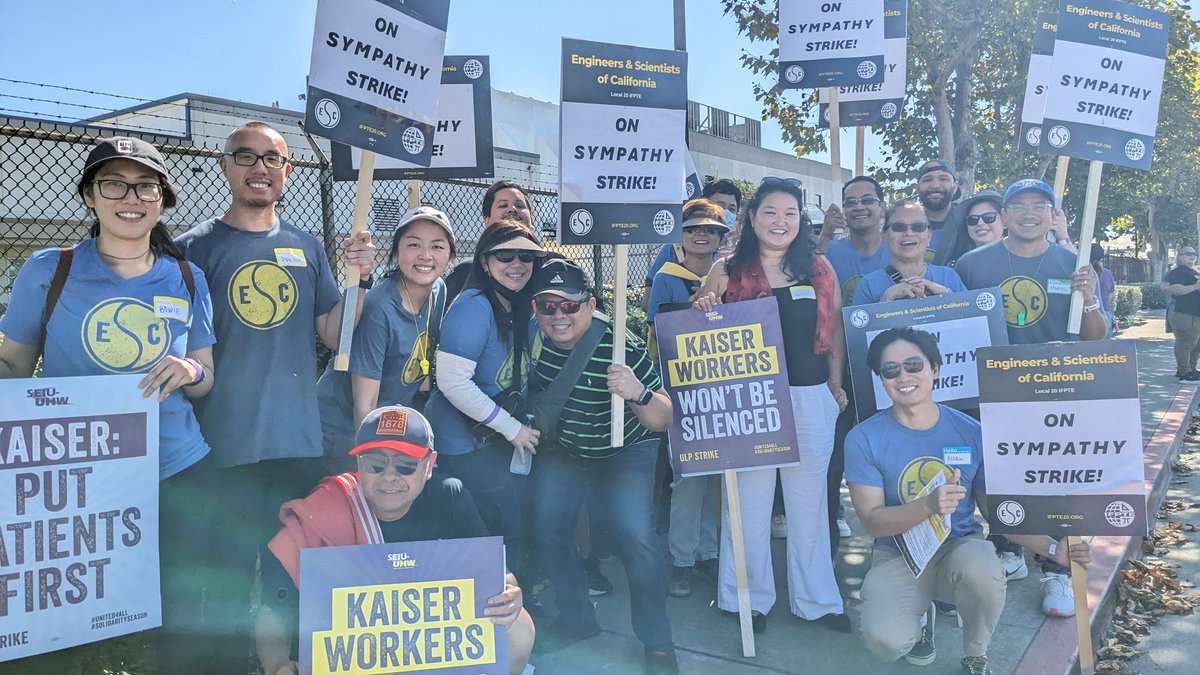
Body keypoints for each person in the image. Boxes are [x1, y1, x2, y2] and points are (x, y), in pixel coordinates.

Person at [0, 137, 216, 671]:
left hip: (173, 465)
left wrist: (189, 369)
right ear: (89, 197)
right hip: (74, 477)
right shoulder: (50, 270)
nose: (131, 196)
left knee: (186, 608)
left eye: (146, 185)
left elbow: (206, 376)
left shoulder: (188, 277)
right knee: (60, 617)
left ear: (163, 200)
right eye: (113, 183)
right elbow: (12, 368)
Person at [174, 120, 377, 668]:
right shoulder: (192, 248)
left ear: (288, 171)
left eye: (272, 158)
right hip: (221, 442)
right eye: (246, 156)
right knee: (227, 569)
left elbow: (333, 333)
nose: (259, 167)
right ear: (225, 166)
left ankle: (284, 660)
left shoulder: (306, 247)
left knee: (293, 569)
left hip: (296, 441)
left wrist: (361, 280)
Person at [846, 328, 1092, 675]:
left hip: (958, 549)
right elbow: (871, 521)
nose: (904, 376)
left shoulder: (971, 432)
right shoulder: (863, 438)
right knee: (884, 643)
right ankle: (917, 627)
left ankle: (976, 655)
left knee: (983, 565)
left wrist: (1053, 551)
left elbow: (998, 512)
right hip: (897, 554)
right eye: (891, 370)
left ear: (935, 369)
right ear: (881, 380)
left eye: (914, 365)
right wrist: (927, 506)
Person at [255, 405, 535, 675]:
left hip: (429, 652)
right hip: (351, 659)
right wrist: (277, 663)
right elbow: (275, 607)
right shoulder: (322, 511)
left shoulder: (449, 497)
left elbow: (498, 577)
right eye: (375, 463)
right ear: (359, 464)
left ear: (429, 465)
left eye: (406, 464)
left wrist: (510, 593)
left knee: (519, 628)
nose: (389, 476)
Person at [695, 176, 850, 634]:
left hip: (809, 396)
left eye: (789, 213)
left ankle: (817, 601)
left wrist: (835, 386)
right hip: (750, 401)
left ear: (800, 220)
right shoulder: (726, 270)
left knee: (810, 506)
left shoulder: (819, 269)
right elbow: (699, 333)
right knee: (749, 504)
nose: (779, 222)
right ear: (751, 218)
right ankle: (744, 599)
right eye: (770, 212)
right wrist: (703, 308)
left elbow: (835, 331)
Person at [955, 177, 1106, 616]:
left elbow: (1097, 340)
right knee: (999, 475)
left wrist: (1090, 299)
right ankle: (1008, 545)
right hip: (993, 392)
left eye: (1038, 205)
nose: (1027, 213)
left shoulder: (1074, 263)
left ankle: (1058, 573)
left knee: (1054, 481)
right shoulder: (971, 264)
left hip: (1054, 393)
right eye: (1017, 205)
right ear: (1003, 216)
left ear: (1052, 214)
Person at [527, 259, 678, 674]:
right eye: (547, 306)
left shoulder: (619, 344)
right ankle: (577, 618)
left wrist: (639, 392)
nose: (559, 317)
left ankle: (657, 640)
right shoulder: (532, 342)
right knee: (549, 524)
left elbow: (663, 418)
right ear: (535, 309)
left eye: (570, 306)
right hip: (569, 448)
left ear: (591, 305)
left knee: (636, 535)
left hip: (625, 450)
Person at [425, 222, 546, 582]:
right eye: (505, 255)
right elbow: (451, 381)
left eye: (527, 255)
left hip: (495, 440)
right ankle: (502, 615)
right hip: (466, 444)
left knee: (507, 525)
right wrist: (514, 430)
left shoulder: (520, 306)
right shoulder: (475, 307)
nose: (517, 263)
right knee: (494, 532)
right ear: (484, 260)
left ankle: (511, 608)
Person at [316, 206, 456, 473]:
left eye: (437, 246)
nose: (425, 256)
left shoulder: (438, 290)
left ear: (450, 255)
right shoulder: (379, 308)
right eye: (414, 244)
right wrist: (374, 468)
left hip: (390, 423)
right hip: (341, 430)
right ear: (396, 252)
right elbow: (364, 406)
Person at [646, 199, 729, 598]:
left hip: (725, 387)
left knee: (717, 477)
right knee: (687, 479)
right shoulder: (665, 276)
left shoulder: (731, 273)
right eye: (693, 228)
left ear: (720, 237)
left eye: (711, 230)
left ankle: (709, 554)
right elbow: (659, 332)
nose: (701, 235)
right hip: (681, 387)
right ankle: (681, 559)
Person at [643, 178, 743, 303]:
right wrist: (689, 306)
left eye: (732, 209)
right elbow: (649, 302)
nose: (725, 213)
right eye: (720, 206)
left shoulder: (742, 252)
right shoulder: (675, 248)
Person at [852, 201, 966, 306]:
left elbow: (973, 322)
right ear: (884, 235)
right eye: (899, 227)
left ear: (929, 235)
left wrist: (948, 295)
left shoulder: (949, 277)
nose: (909, 233)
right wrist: (886, 300)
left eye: (918, 227)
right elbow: (859, 327)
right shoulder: (868, 285)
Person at [446, 179, 537, 300]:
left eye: (520, 205)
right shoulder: (466, 273)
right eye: (503, 205)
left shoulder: (547, 267)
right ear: (487, 220)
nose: (512, 209)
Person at [817, 176, 889, 305]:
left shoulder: (899, 250)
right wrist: (825, 233)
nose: (858, 207)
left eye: (867, 200)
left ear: (882, 208)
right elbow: (811, 279)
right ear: (843, 210)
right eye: (851, 202)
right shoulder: (831, 250)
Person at [913, 160, 964, 265]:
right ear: (917, 188)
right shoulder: (899, 226)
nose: (935, 186)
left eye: (943, 179)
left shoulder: (969, 224)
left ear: (955, 186)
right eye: (927, 180)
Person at [1161, 245, 1200, 380]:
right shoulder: (1177, 272)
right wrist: (1195, 286)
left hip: (1194, 314)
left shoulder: (1192, 271)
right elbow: (1171, 289)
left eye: (1194, 254)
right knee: (1186, 343)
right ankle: (1184, 373)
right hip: (1183, 313)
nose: (1192, 256)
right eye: (1187, 254)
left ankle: (1191, 369)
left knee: (1196, 344)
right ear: (1179, 256)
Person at [942, 190, 1002, 268]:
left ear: (1004, 219)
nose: (980, 223)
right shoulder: (959, 266)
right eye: (973, 219)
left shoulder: (1021, 257)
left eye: (988, 217)